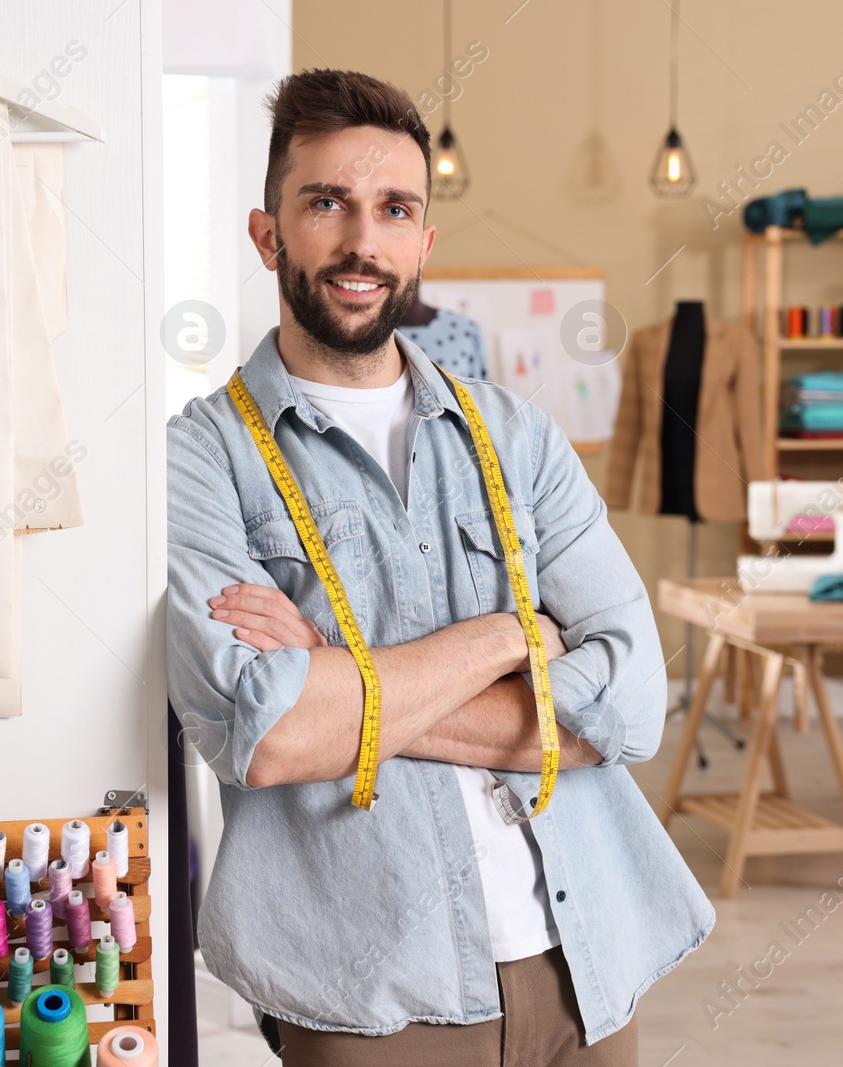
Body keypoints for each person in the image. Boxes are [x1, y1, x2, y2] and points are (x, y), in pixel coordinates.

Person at [167, 68, 713, 1067]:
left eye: (393, 209)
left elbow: (630, 705)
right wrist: (511, 638)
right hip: (370, 981)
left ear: (422, 241)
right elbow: (268, 733)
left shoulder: (517, 436)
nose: (360, 240)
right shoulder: (199, 457)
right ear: (268, 233)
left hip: (584, 953)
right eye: (325, 202)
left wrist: (337, 675)